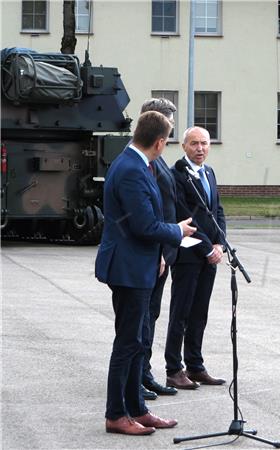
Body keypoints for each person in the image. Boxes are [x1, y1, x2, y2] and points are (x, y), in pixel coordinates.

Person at [95, 111, 195, 435]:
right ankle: (115, 414)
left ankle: (136, 408)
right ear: (160, 142)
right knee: (127, 342)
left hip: (139, 265)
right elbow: (144, 225)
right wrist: (177, 231)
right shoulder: (131, 170)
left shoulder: (138, 163)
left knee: (137, 340)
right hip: (128, 268)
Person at [165, 126, 227, 388]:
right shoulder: (176, 174)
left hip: (210, 254)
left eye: (204, 143)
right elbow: (182, 214)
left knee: (200, 312)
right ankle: (173, 368)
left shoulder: (209, 172)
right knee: (181, 312)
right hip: (189, 253)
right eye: (194, 144)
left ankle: (195, 365)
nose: (200, 148)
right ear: (184, 146)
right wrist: (206, 248)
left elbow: (217, 210)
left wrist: (219, 243)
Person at [137, 98, 180, 401]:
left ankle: (144, 373)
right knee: (140, 318)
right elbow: (148, 214)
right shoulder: (146, 161)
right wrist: (160, 252)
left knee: (151, 315)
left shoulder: (158, 159)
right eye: (169, 124)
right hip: (154, 255)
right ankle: (136, 376)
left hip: (163, 252)